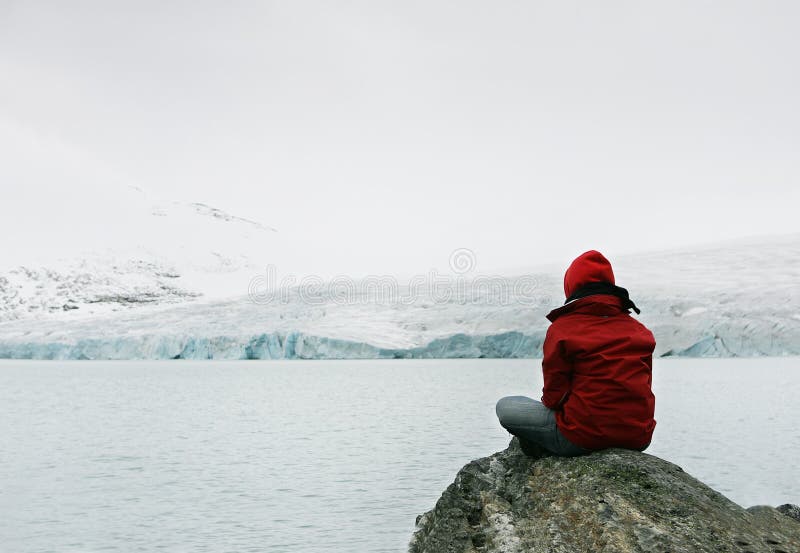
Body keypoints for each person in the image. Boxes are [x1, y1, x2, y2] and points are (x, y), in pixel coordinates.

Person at [496, 250, 656, 457]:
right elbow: (642, 386)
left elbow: (555, 396)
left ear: (570, 287)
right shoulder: (639, 330)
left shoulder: (564, 328)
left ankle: (542, 451)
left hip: (581, 437)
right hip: (637, 438)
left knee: (506, 406)